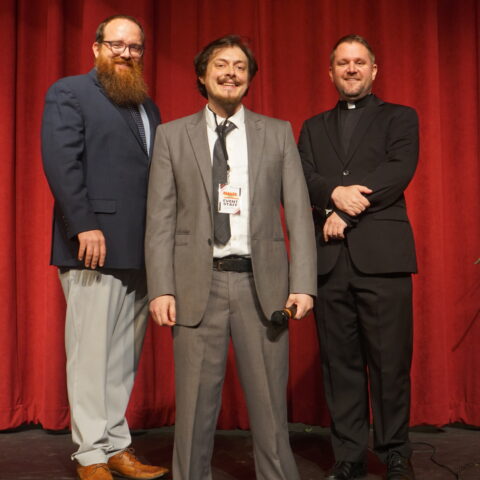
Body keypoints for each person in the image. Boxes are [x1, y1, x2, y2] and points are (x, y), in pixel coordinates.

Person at [145, 35, 316, 480]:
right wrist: (161, 288)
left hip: (263, 287)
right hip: (196, 285)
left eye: (240, 66)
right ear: (202, 75)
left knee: (271, 410)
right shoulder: (171, 136)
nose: (231, 73)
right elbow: (160, 220)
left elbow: (299, 214)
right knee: (194, 412)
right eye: (221, 64)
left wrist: (303, 284)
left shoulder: (277, 132)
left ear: (249, 78)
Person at [41, 14, 167, 480]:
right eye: (116, 44)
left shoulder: (147, 106)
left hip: (140, 249)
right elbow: (61, 162)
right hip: (92, 245)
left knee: (121, 360)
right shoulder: (70, 92)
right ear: (96, 47)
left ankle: (116, 446)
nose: (125, 53)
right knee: (90, 356)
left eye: (134, 47)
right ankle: (90, 454)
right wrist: (84, 225)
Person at [298, 34, 419, 480]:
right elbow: (303, 174)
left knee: (390, 362)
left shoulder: (401, 118)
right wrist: (332, 195)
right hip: (330, 261)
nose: (351, 69)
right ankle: (348, 455)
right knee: (340, 364)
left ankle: (395, 452)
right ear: (330, 72)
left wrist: (345, 212)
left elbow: (397, 172)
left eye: (359, 62)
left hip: (383, 259)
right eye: (343, 63)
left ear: (374, 70)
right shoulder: (312, 127)